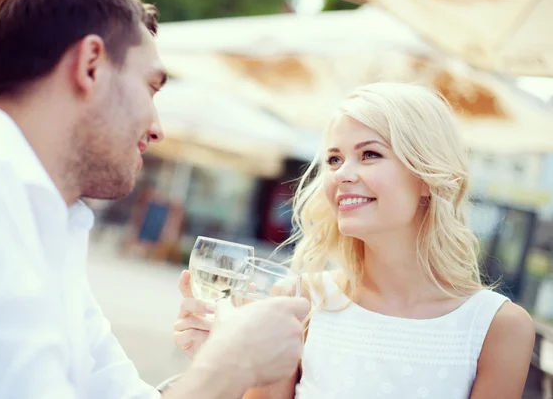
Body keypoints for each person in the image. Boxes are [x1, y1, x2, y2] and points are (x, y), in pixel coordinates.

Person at [0, 0, 310, 398]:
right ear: (90, 66)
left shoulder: (50, 223)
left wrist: (219, 360)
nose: (158, 129)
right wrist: (232, 362)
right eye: (150, 86)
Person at [173, 82, 536, 399]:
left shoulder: (498, 328)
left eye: (370, 154)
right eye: (334, 159)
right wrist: (221, 365)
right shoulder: (298, 303)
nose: (342, 174)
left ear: (427, 177)